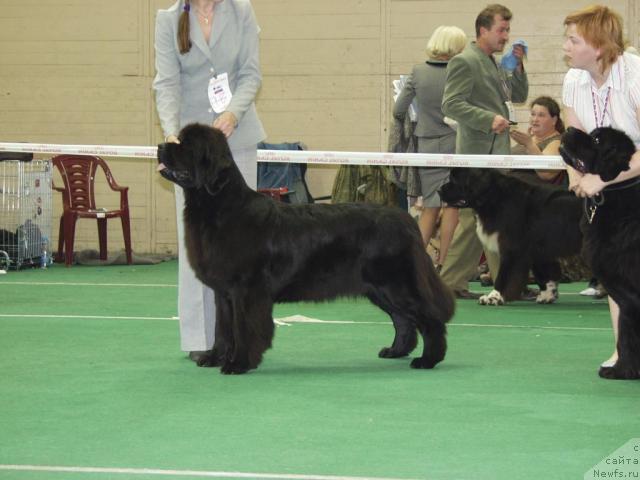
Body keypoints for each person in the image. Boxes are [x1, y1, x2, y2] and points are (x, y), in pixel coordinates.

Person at [153, 0, 266, 363]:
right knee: (198, 248)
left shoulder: (241, 11)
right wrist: (171, 136)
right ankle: (201, 340)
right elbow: (167, 84)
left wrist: (234, 113)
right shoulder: (168, 19)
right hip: (192, 150)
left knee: (240, 249)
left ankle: (239, 338)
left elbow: (251, 74)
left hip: (237, 139)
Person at [561, 5, 640, 369]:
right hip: (607, 194)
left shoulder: (635, 74)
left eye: (573, 39)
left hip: (631, 181)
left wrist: (602, 179)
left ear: (598, 44)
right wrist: (579, 177)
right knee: (617, 273)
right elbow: (572, 141)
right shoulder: (573, 81)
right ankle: (626, 352)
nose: (565, 46)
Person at [440, 4, 529, 299]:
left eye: (507, 30)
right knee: (474, 221)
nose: (506, 36)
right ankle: (489, 282)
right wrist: (487, 119)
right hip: (477, 153)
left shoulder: (495, 62)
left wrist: (517, 68)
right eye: (501, 30)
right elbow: (450, 104)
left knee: (488, 221)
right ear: (483, 30)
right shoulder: (465, 61)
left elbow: (517, 97)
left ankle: (467, 282)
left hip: (496, 152)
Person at [393, 26, 468, 271]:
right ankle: (445, 265)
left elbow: (398, 110)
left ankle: (413, 264)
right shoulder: (461, 71)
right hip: (456, 142)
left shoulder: (417, 72)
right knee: (452, 207)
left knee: (429, 206)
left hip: (426, 143)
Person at [509, 96, 566, 186]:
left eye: (541, 115)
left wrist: (529, 144)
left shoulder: (557, 142)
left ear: (554, 120)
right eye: (533, 114)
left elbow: (546, 174)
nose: (535, 119)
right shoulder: (529, 138)